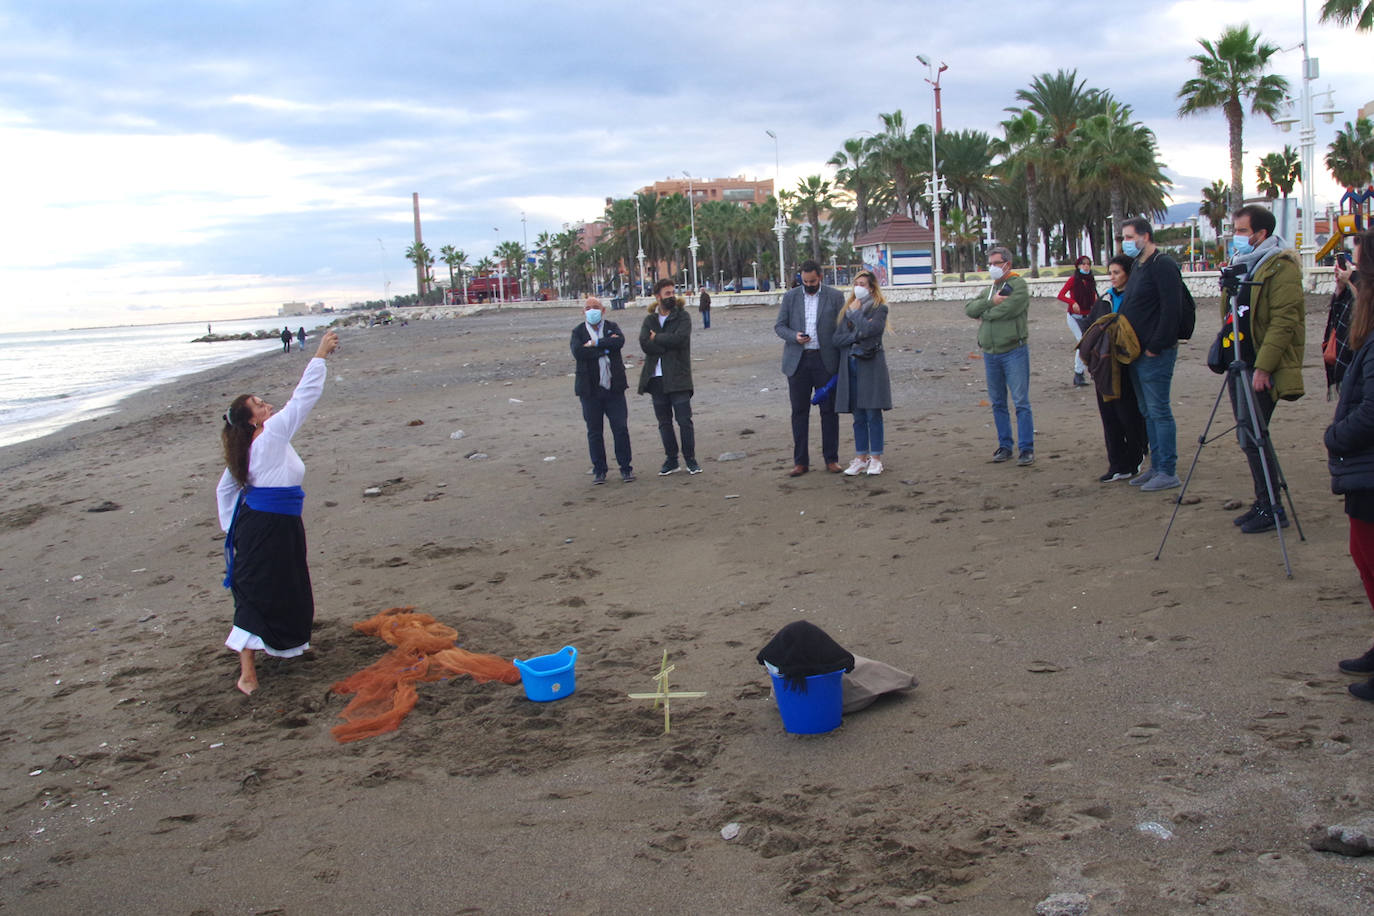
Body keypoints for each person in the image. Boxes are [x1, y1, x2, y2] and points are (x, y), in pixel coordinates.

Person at [217, 329, 340, 696]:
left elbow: (226, 489)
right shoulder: (268, 436)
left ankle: (288, 646)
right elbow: (303, 399)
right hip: (266, 527)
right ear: (252, 419)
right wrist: (320, 354)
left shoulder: (257, 442)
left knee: (289, 587)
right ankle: (247, 673)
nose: (266, 404)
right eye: (259, 404)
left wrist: (233, 526)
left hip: (277, 525)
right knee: (257, 592)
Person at [1222, 205, 1305, 533]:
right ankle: (1263, 501)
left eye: (1242, 231)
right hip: (1238, 359)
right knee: (1247, 435)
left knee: (1256, 435)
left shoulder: (1280, 266)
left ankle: (1273, 508)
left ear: (1261, 234)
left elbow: (1285, 321)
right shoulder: (1242, 265)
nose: (1236, 237)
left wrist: (1264, 367)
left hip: (1260, 365)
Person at [1325, 230, 1374, 700]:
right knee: (1364, 557)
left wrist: (1335, 437)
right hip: (1362, 468)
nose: (1350, 274)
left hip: (1366, 464)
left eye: (1356, 268)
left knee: (1370, 556)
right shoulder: (1365, 321)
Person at [1118, 218, 1184, 492]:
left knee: (1159, 411)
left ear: (1146, 236)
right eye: (1123, 237)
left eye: (1130, 237)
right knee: (1147, 411)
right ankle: (1156, 466)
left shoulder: (1163, 265)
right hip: (1135, 352)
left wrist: (1156, 345)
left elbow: (1172, 309)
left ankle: (1167, 470)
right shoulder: (1140, 266)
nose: (1126, 242)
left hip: (1155, 352)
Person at [965, 246, 1034, 466]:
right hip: (991, 353)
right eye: (991, 263)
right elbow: (969, 308)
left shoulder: (1018, 285)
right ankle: (1005, 446)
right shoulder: (991, 289)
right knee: (998, 402)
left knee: (1020, 401)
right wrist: (990, 303)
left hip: (1014, 350)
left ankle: (1026, 448)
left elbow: (1009, 310)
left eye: (997, 263)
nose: (993, 267)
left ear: (1008, 264)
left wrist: (985, 313)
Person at [774, 259, 844, 476]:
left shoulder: (835, 296)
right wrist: (794, 336)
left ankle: (831, 459)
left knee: (829, 412)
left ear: (820, 278)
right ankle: (800, 462)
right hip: (798, 361)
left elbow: (842, 327)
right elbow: (779, 326)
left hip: (825, 360)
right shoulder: (791, 297)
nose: (809, 284)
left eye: (812, 281)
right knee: (799, 412)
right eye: (805, 281)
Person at [1081, 254, 1147, 482]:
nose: (1113, 277)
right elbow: (1091, 327)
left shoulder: (1137, 298)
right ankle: (1116, 463)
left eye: (1117, 272)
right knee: (1108, 415)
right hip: (1104, 366)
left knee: (1129, 415)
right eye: (1110, 273)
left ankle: (1134, 459)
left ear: (1128, 273)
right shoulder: (1105, 299)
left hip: (1127, 365)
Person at [832, 270, 892, 476]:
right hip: (850, 366)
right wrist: (856, 335)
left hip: (871, 366)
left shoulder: (880, 309)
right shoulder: (845, 310)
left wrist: (856, 316)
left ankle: (876, 458)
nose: (859, 287)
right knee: (857, 415)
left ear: (872, 287)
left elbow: (870, 332)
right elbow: (837, 339)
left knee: (872, 412)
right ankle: (860, 457)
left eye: (863, 284)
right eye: (856, 283)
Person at [638, 279, 699, 476]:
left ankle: (690, 459)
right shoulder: (650, 320)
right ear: (657, 297)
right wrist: (664, 344)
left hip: (679, 376)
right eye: (667, 293)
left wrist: (658, 338)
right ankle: (671, 459)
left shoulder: (683, 317)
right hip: (656, 378)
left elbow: (681, 340)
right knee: (664, 422)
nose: (672, 296)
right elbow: (644, 343)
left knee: (684, 420)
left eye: (673, 292)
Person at [571, 297, 634, 484]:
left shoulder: (612, 327)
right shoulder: (578, 332)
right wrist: (605, 349)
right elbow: (578, 352)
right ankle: (599, 470)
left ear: (603, 310)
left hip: (614, 389)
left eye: (595, 307)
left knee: (620, 428)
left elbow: (619, 343)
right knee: (594, 431)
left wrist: (595, 344)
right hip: (589, 390)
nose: (592, 311)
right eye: (588, 308)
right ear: (583, 312)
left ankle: (626, 468)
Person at [1057, 256, 1097, 386]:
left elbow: (1094, 296)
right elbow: (1061, 295)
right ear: (1078, 266)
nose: (1086, 267)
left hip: (1088, 316)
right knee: (1082, 342)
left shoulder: (1091, 280)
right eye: (1083, 264)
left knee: (1091, 343)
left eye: (1088, 264)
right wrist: (1072, 302)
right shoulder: (1073, 280)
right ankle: (1078, 374)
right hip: (1074, 317)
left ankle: (1092, 370)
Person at [1326, 248, 1357, 398]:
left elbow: (1366, 305)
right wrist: (1341, 286)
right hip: (1351, 349)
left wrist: (1349, 281)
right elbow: (1337, 314)